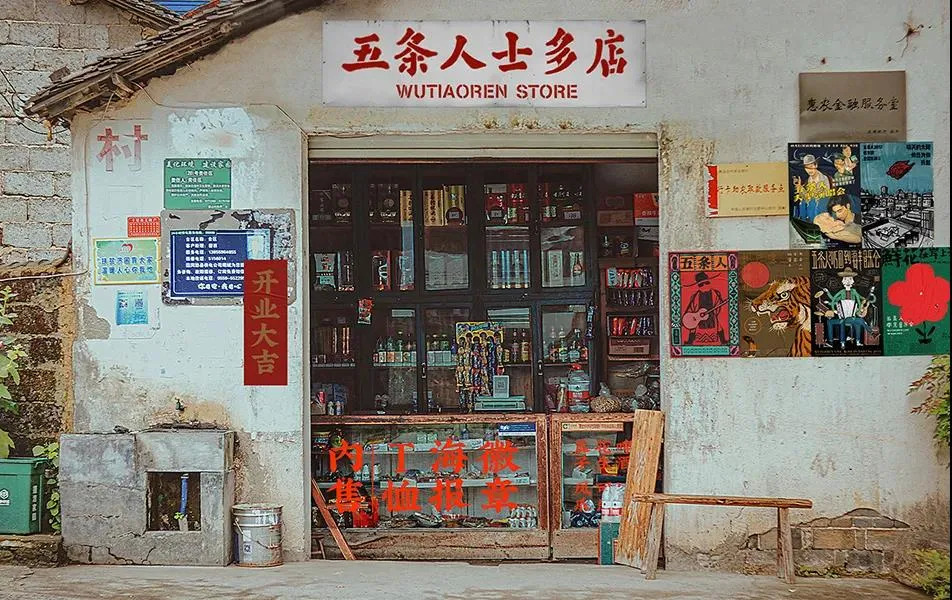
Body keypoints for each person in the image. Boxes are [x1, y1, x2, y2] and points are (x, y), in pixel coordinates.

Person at [820, 266, 870, 349]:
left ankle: (853, 341)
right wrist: (828, 293)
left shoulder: (854, 292)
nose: (848, 281)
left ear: (852, 281)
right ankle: (832, 342)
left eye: (850, 279)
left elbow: (860, 298)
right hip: (842, 317)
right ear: (843, 281)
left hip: (852, 316)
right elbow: (834, 299)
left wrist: (863, 303)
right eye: (846, 279)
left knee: (852, 322)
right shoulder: (842, 292)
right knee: (834, 322)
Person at [683, 272, 728, 345]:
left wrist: (714, 312)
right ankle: (690, 341)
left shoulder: (715, 293)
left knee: (718, 325)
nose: (704, 286)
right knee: (693, 327)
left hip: (712, 313)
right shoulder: (695, 295)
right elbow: (692, 307)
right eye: (701, 284)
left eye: (706, 283)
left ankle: (723, 341)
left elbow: (718, 304)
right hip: (698, 314)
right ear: (698, 286)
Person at [793, 154, 833, 222]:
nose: (809, 170)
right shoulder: (808, 181)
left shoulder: (824, 179)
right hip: (811, 211)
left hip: (822, 210)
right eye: (807, 168)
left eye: (811, 166)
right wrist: (800, 187)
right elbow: (807, 198)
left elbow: (825, 199)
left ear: (816, 165)